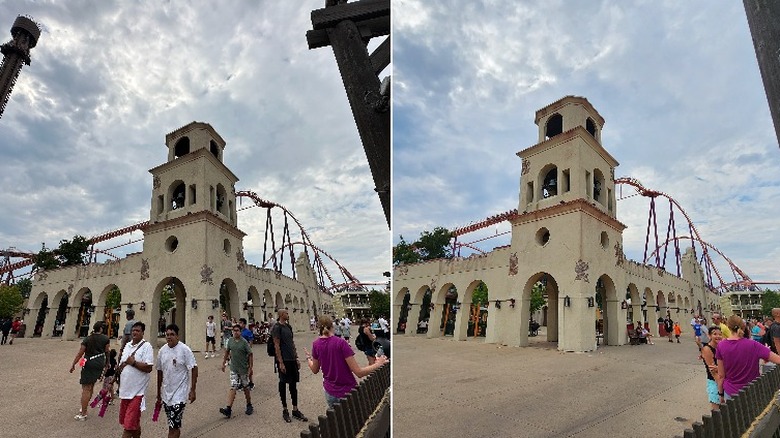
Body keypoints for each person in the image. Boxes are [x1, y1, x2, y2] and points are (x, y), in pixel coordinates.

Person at [304, 316, 388, 408]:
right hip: (348, 392)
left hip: (330, 392)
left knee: (337, 420)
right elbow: (359, 372)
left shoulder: (316, 344)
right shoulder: (341, 343)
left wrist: (309, 358)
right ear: (332, 326)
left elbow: (315, 370)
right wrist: (378, 364)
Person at [716, 315, 780, 403]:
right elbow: (778, 360)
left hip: (731, 391)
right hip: (752, 390)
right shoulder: (753, 345)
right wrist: (766, 353)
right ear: (743, 326)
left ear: (728, 327)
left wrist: (720, 394)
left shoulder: (721, 345)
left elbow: (721, 375)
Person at [156, 324, 198, 438]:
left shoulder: (184, 350)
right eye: (167, 335)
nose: (169, 337)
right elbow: (159, 371)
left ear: (177, 336)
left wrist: (192, 390)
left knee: (174, 425)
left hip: (179, 395)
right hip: (166, 394)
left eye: (172, 334)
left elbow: (194, 368)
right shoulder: (162, 351)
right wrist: (158, 392)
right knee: (172, 424)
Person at [117, 321, 154, 438]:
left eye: (137, 331)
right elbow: (122, 364)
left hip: (137, 393)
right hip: (125, 391)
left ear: (143, 333)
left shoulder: (146, 347)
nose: (134, 332)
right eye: (133, 330)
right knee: (133, 423)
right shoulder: (127, 346)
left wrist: (133, 363)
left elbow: (148, 367)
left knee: (128, 427)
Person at [271, 309, 308, 423]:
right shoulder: (277, 328)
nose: (288, 314)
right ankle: (285, 409)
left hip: (291, 359)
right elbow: (276, 345)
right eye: (286, 313)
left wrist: (296, 357)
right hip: (284, 360)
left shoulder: (288, 327)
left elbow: (292, 342)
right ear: (282, 315)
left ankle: (295, 409)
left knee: (293, 384)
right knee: (283, 383)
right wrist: (280, 362)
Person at [70, 321, 111, 421]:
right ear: (101, 328)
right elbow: (107, 351)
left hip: (89, 363)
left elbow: (80, 353)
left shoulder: (87, 339)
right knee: (91, 385)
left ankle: (83, 412)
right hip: (99, 363)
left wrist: (73, 364)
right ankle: (84, 408)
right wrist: (107, 363)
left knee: (86, 388)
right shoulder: (105, 339)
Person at [219, 324, 253, 418]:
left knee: (245, 386)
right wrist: (224, 363)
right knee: (233, 386)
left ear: (240, 332)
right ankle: (228, 409)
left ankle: (249, 404)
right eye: (234, 331)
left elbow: (250, 354)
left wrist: (250, 368)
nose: (235, 332)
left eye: (237, 330)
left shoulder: (244, 342)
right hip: (234, 368)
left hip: (243, 369)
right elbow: (227, 352)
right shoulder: (230, 341)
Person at [701, 326, 722, 411]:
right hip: (715, 382)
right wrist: (721, 392)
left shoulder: (721, 347)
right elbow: (713, 372)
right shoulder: (707, 349)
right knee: (716, 410)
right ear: (709, 335)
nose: (718, 336)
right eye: (715, 334)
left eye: (720, 334)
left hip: (723, 380)